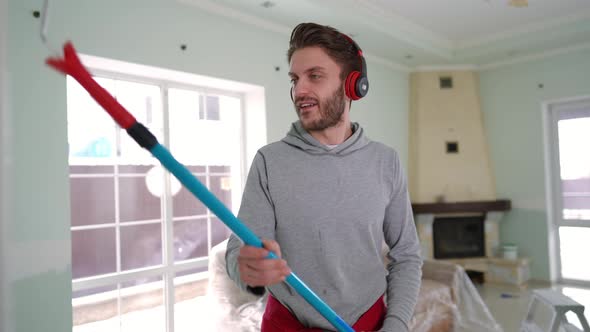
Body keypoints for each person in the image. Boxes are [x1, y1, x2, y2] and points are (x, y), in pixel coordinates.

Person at [226, 22, 422, 332]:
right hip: (287, 322)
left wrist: (396, 324)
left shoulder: (386, 162)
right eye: (295, 79)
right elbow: (239, 249)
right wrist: (247, 269)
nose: (299, 90)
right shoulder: (270, 161)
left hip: (368, 322)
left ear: (353, 86)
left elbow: (407, 255)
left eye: (314, 76)